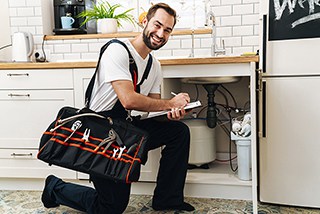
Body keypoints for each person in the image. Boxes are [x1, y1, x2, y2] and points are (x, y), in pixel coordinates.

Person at [41, 3, 195, 213]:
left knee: (178, 132)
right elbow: (128, 100)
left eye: (167, 30)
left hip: (126, 129)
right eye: (157, 25)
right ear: (144, 22)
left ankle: (167, 199)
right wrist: (170, 103)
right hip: (100, 132)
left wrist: (173, 112)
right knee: (111, 207)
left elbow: (152, 110)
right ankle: (55, 188)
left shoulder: (154, 65)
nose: (161, 33)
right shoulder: (117, 50)